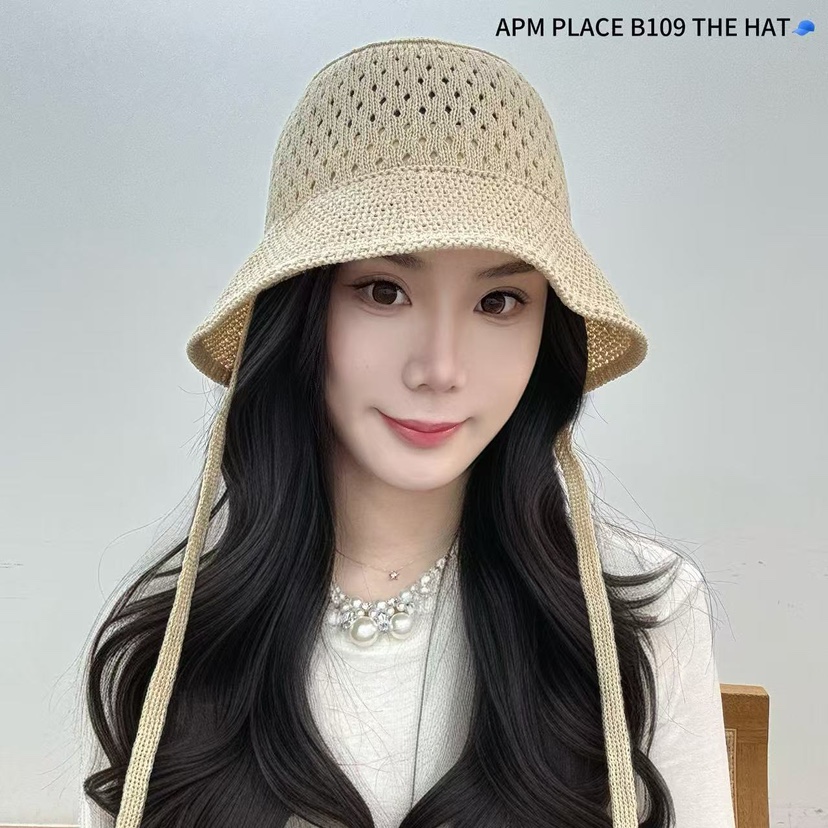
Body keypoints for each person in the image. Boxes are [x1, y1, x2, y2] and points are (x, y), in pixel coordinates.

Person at [75, 37, 735, 827]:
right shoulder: (174, 638)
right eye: (384, 291)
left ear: (545, 332)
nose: (440, 368)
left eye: (499, 302)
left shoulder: (641, 619)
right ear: (301, 313)